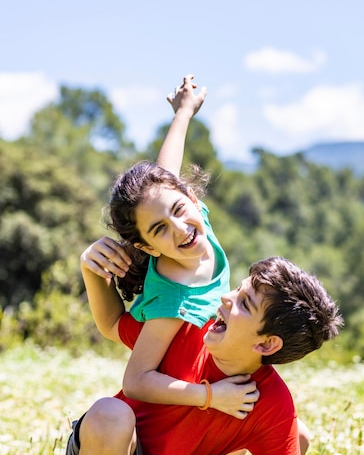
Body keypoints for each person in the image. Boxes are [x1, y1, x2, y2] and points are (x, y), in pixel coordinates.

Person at [66, 255, 343, 455]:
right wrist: (93, 269)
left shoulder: (272, 401)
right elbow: (116, 325)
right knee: (109, 414)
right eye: (237, 289)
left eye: (244, 303)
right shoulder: (184, 324)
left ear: (266, 345)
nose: (226, 298)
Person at [81, 74, 260, 418]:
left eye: (179, 209)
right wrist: (210, 396)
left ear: (191, 197)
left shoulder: (194, 219)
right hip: (141, 329)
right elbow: (135, 380)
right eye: (159, 229)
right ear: (147, 248)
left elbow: (166, 172)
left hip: (171, 331)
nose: (179, 228)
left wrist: (183, 112)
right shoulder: (174, 299)